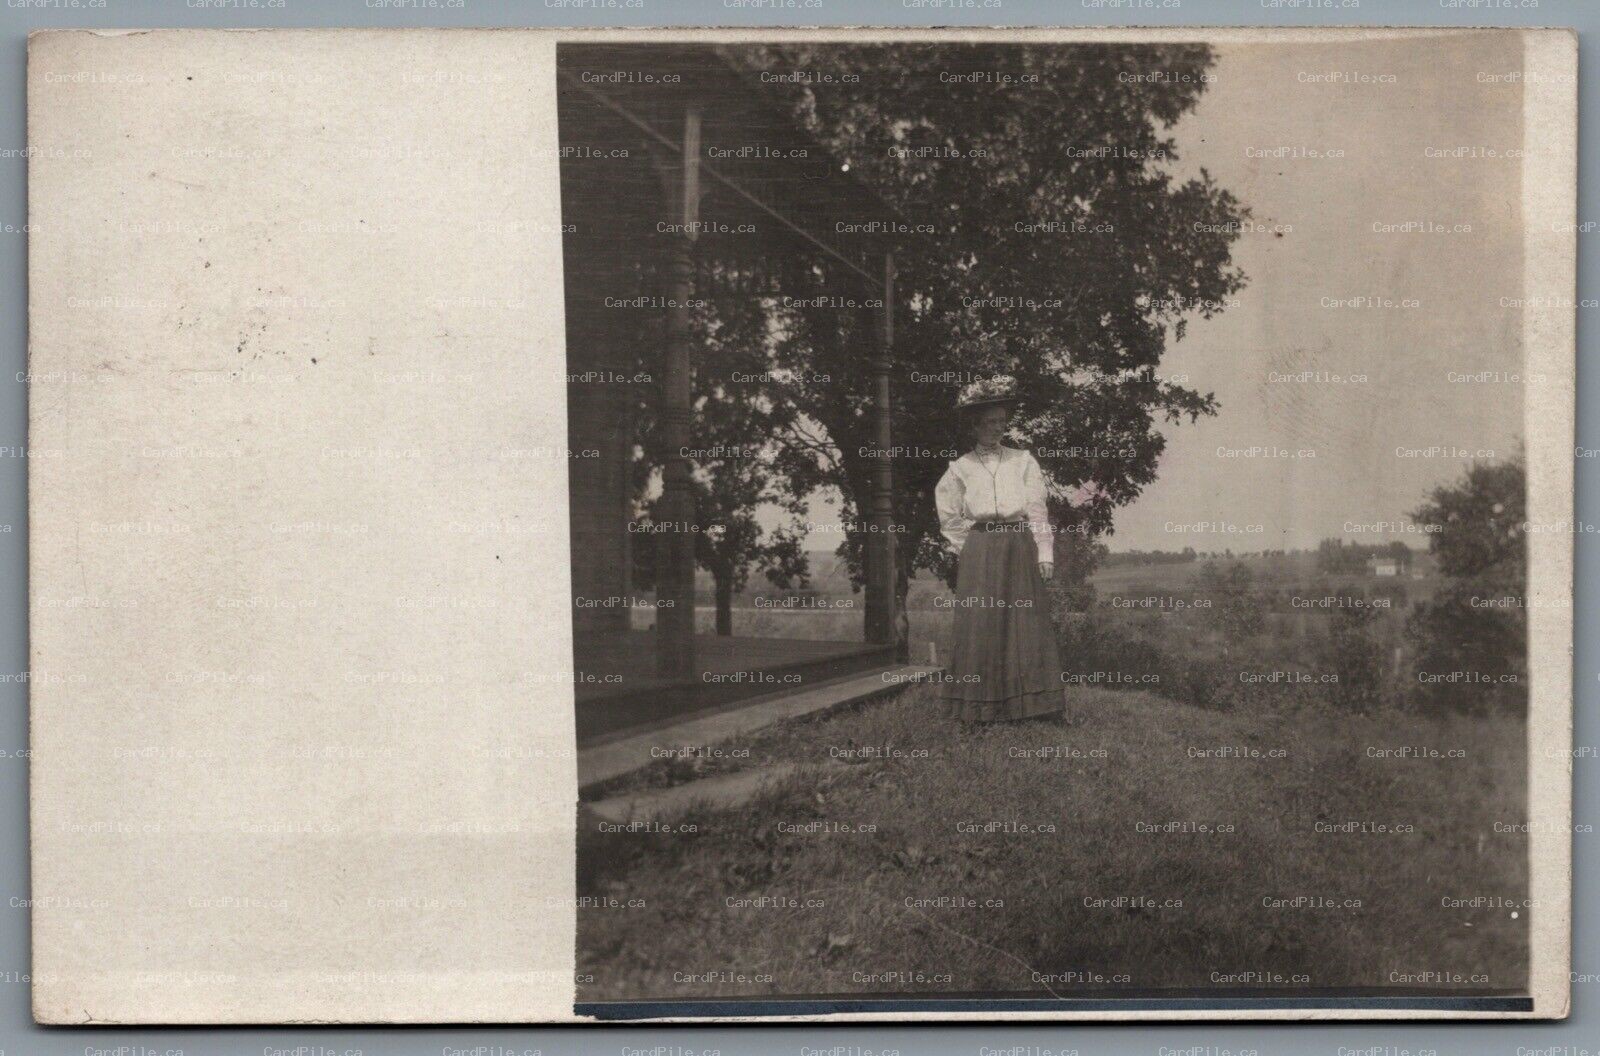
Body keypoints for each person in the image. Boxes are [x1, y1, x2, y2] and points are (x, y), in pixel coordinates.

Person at [934, 377, 1066, 723]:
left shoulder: (1022, 461)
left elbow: (1037, 508)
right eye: (989, 422)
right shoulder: (959, 467)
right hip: (980, 547)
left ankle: (1035, 709)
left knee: (1025, 623)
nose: (996, 428)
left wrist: (1044, 551)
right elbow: (949, 517)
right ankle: (976, 711)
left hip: (1019, 544)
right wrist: (974, 547)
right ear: (975, 425)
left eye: (1001, 422)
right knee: (980, 624)